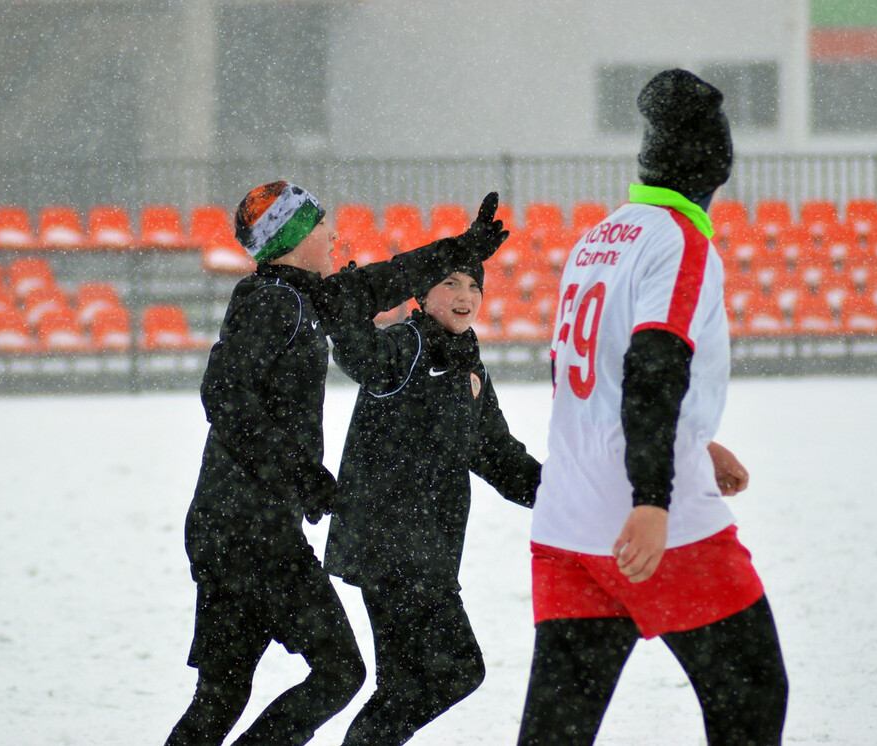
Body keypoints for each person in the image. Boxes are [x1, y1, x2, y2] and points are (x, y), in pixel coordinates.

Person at [165, 182, 508, 746]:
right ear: (295, 237)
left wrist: (461, 247)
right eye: (322, 223)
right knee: (339, 672)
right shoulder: (276, 303)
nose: (334, 234)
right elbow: (224, 395)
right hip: (251, 532)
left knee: (222, 696)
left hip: (230, 526)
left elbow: (384, 279)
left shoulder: (301, 295)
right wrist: (301, 476)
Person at [516, 69, 788, 745]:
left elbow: (592, 376)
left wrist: (695, 436)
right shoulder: (680, 240)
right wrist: (653, 496)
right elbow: (651, 370)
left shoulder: (601, 237)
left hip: (566, 524)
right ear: (714, 169)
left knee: (556, 734)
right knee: (753, 692)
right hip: (649, 518)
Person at [320, 263, 542, 745]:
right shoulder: (406, 344)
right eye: (451, 283)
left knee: (403, 685)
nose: (466, 296)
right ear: (422, 293)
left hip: (419, 550)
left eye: (475, 287)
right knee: (457, 670)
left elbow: (497, 454)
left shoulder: (469, 363)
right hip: (393, 548)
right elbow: (359, 354)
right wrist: (352, 300)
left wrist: (563, 497)